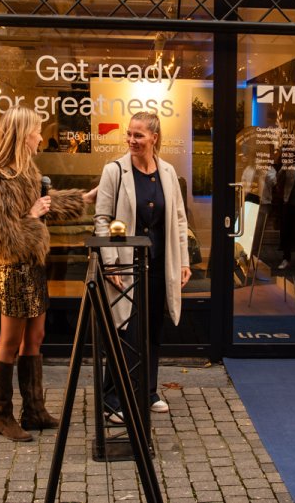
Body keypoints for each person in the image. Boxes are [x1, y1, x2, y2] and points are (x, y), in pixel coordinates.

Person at [0, 106, 96, 441]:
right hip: (12, 268)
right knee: (9, 341)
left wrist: (83, 199)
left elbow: (45, 204)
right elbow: (0, 237)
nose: (41, 136)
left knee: (35, 336)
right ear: (24, 135)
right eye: (37, 131)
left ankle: (34, 410)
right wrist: (32, 217)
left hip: (33, 266)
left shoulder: (24, 172)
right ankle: (2, 416)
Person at [96, 111, 191, 417]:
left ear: (154, 137)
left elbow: (179, 220)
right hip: (125, 266)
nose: (131, 140)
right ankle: (112, 399)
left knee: (152, 329)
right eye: (129, 134)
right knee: (124, 330)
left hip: (159, 265)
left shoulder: (167, 172)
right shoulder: (114, 171)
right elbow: (102, 220)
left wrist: (183, 260)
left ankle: (147, 391)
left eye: (138, 135)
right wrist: (110, 263)